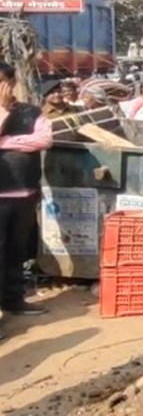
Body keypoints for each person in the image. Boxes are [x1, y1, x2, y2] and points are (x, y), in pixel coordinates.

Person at [0, 62, 51, 323]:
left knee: (16, 251)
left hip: (24, 192)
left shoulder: (31, 112)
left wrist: (7, 142)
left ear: (11, 82)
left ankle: (13, 300)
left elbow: (43, 139)